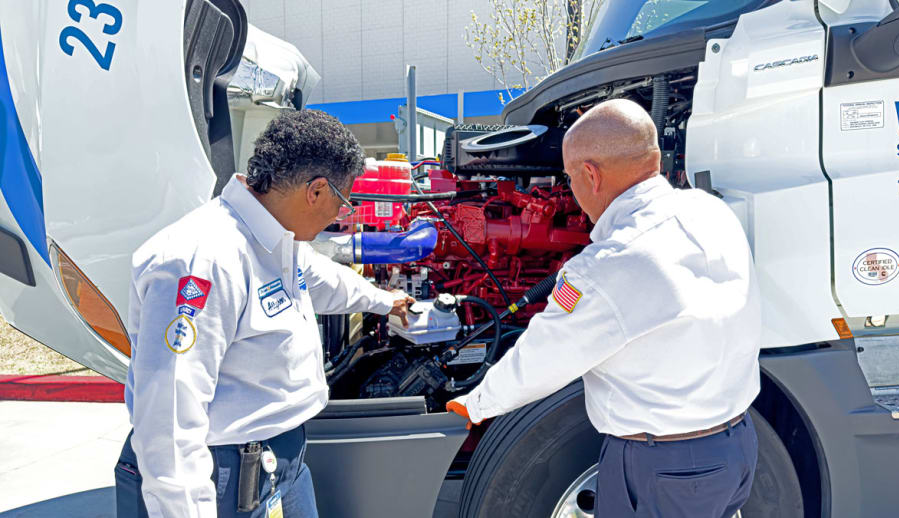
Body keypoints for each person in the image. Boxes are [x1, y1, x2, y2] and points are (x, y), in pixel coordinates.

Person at [447, 99, 761, 518]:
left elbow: (543, 358)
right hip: (737, 445)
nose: (571, 189)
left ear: (591, 175)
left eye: (570, 177)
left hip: (666, 468)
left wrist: (475, 405)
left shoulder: (609, 265)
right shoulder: (712, 211)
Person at [114, 110, 414, 518]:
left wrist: (384, 301)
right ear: (316, 191)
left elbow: (323, 281)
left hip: (282, 462)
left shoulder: (276, 239)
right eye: (343, 202)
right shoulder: (203, 260)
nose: (339, 215)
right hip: (225, 475)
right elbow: (168, 420)